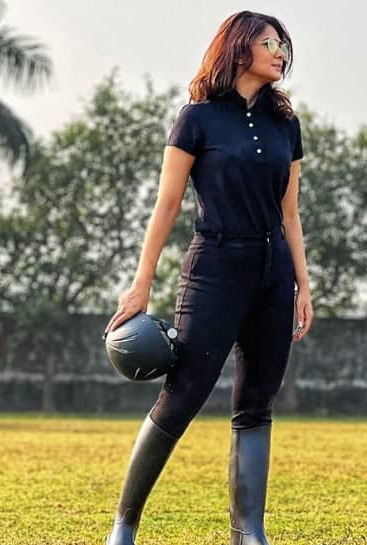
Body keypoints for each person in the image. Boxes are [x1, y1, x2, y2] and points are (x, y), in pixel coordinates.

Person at [102, 11, 313, 545]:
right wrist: (141, 283)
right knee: (184, 392)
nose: (281, 52)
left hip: (273, 274)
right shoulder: (196, 118)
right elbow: (167, 203)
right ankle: (124, 525)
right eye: (271, 42)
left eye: (284, 45)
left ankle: (249, 532)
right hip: (214, 268)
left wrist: (303, 286)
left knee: (257, 401)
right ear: (240, 48)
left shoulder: (286, 124)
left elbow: (290, 213)